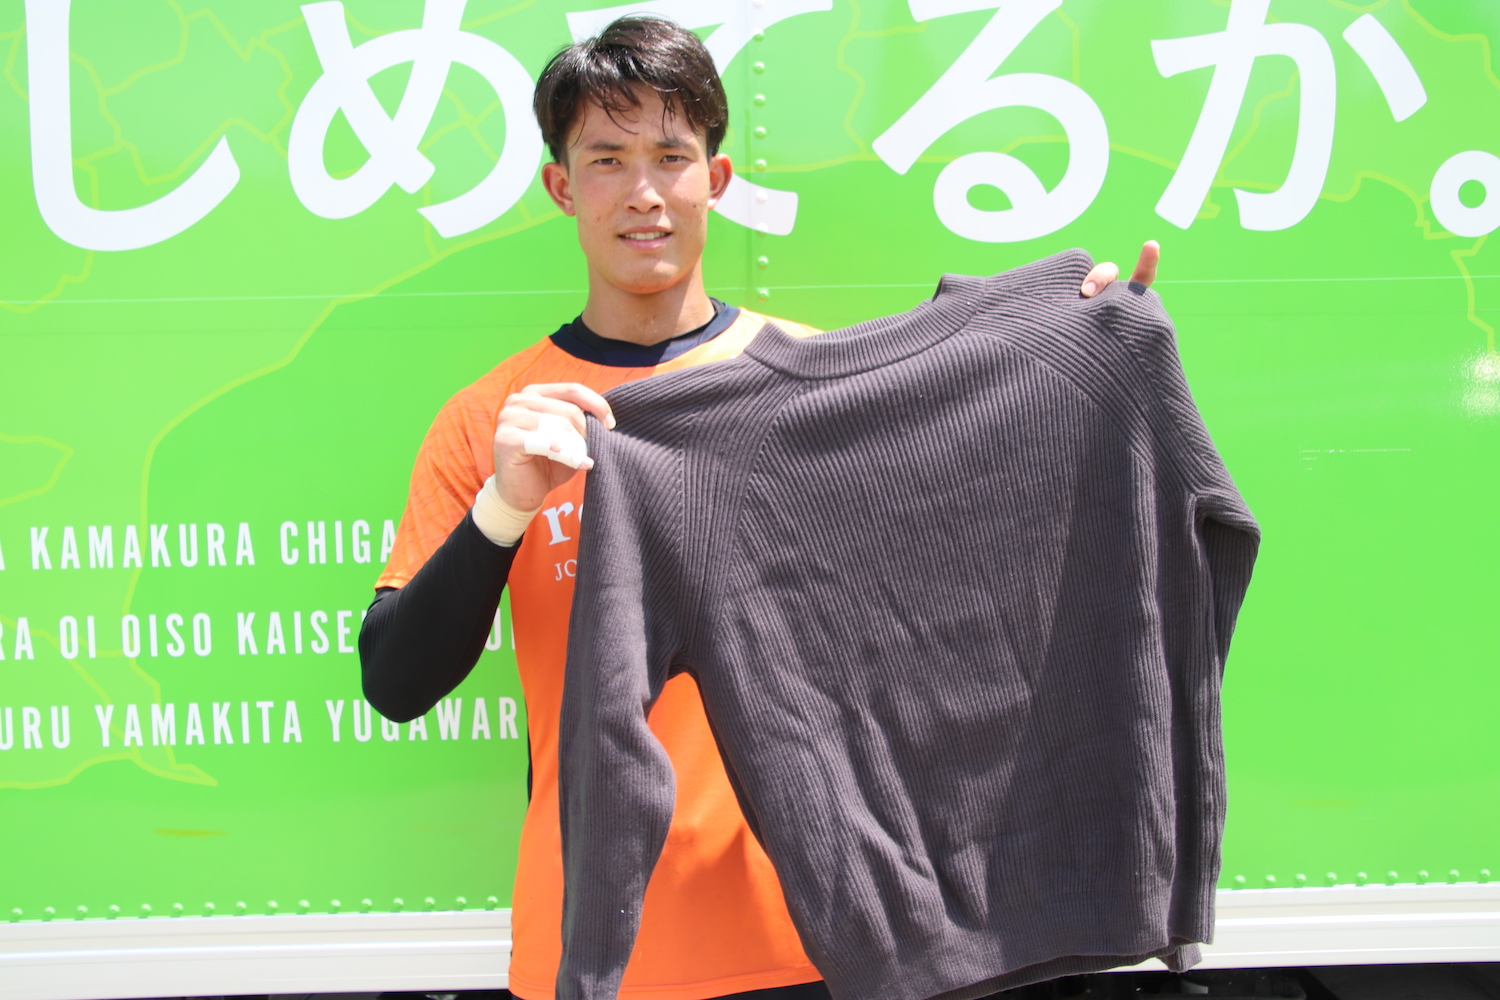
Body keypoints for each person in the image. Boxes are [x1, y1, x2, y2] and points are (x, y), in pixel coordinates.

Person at [359, 15, 1161, 1000]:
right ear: (562, 187)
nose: (644, 192)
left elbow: (972, 597)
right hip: (601, 952)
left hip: (820, 944)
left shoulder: (818, 384)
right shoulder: (499, 419)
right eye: (607, 160)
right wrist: (506, 505)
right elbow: (396, 680)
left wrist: (1076, 356)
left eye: (671, 156)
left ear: (717, 178)